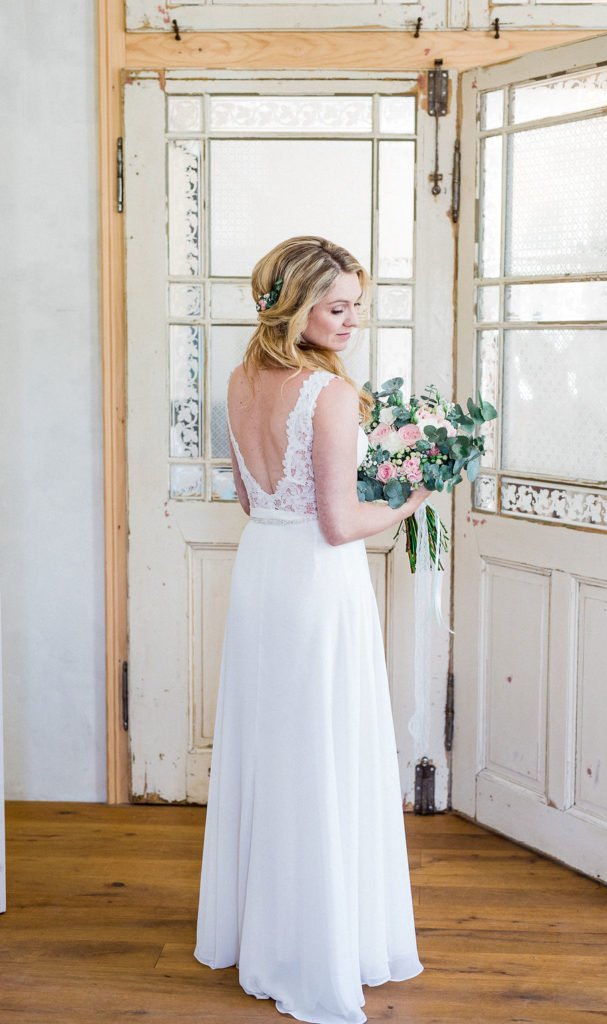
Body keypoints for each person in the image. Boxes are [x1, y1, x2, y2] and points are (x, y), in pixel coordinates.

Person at [193, 236, 429, 1024]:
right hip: (317, 583)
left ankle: (268, 933)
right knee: (323, 749)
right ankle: (318, 947)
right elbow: (338, 523)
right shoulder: (326, 394)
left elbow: (249, 501)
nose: (352, 321)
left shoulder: (237, 381)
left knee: (276, 750)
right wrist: (409, 498)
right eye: (336, 308)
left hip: (262, 570)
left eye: (357, 306)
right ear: (292, 309)